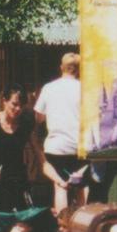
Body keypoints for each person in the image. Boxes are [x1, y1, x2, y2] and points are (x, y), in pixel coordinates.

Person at [34, 53, 85, 215]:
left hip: (56, 146)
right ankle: (81, 227)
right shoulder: (84, 88)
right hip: (80, 146)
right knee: (81, 187)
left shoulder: (49, 88)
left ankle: (62, 228)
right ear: (78, 70)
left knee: (60, 186)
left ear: (61, 67)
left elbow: (38, 117)